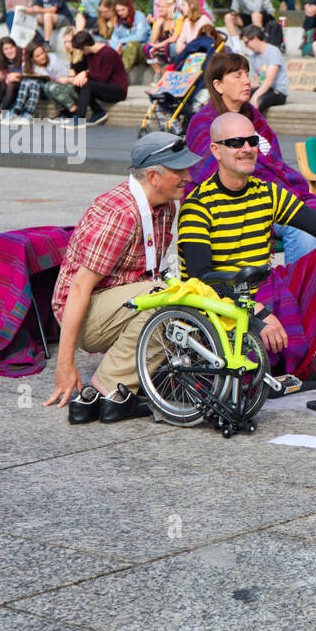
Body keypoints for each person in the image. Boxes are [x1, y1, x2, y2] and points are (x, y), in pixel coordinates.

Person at [178, 112, 316, 375]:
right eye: (236, 142)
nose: (247, 149)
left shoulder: (266, 191)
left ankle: (285, 341)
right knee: (262, 361)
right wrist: (254, 309)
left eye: (252, 141)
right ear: (216, 150)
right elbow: (200, 279)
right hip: (221, 297)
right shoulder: (198, 205)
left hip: (261, 287)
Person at [43, 132, 201, 419]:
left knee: (180, 298)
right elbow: (79, 289)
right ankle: (111, 387)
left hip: (123, 297)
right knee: (166, 298)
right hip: (84, 310)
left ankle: (132, 376)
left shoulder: (166, 205)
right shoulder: (122, 214)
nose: (188, 176)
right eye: (179, 170)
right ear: (153, 176)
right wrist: (65, 365)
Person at [185, 51, 316, 269]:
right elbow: (212, 174)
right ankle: (297, 291)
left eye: (247, 74)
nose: (247, 81)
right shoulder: (204, 124)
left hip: (276, 195)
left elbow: (275, 164)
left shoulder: (253, 116)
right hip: (233, 206)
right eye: (237, 75)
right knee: (301, 229)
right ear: (218, 85)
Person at [54, 30, 128, 128]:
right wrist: (81, 77)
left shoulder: (108, 53)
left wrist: (85, 73)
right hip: (105, 86)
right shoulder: (90, 54)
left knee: (87, 84)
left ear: (85, 47)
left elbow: (102, 78)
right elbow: (95, 75)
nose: (82, 52)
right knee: (79, 84)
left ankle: (79, 118)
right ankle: (98, 111)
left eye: (81, 50)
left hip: (118, 89)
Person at [5, 40, 72, 123]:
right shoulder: (26, 65)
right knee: (27, 81)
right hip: (35, 91)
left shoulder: (52, 60)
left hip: (52, 89)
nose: (42, 56)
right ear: (32, 59)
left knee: (34, 82)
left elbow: (65, 77)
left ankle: (28, 113)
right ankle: (17, 110)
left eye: (42, 53)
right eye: (38, 56)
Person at [238, 23, 288, 112]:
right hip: (265, 89)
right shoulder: (254, 56)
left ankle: (256, 125)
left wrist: (255, 96)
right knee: (241, 98)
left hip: (277, 92)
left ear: (256, 39)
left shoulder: (273, 52)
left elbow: (269, 80)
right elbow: (257, 81)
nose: (246, 46)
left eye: (246, 42)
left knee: (258, 101)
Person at [144, 0, 182, 78]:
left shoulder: (178, 18)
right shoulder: (159, 19)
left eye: (163, 7)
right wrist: (157, 25)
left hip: (175, 50)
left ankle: (176, 69)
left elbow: (175, 38)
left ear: (170, 8)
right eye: (159, 6)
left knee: (172, 46)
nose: (159, 9)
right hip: (164, 51)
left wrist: (158, 45)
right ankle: (158, 72)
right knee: (147, 48)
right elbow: (152, 42)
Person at [109, 0, 150, 72]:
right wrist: (117, 49)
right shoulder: (118, 21)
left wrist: (121, 41)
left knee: (132, 44)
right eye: (118, 10)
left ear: (129, 8)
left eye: (123, 9)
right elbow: (114, 39)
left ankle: (121, 74)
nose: (120, 13)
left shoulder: (139, 16)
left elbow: (140, 37)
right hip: (125, 50)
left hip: (142, 51)